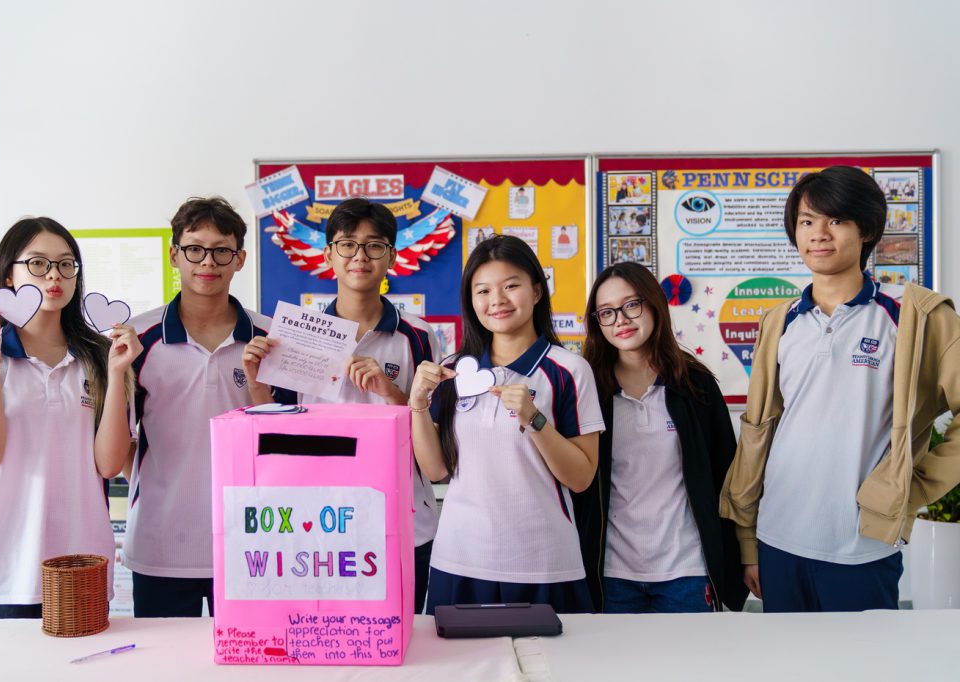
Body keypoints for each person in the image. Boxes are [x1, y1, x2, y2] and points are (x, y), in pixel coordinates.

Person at [719, 166, 960, 612]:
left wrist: (916, 485)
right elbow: (758, 432)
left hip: (862, 547)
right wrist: (748, 539)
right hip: (777, 539)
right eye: (807, 221)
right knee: (787, 656)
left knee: (865, 657)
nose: (819, 234)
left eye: (836, 220)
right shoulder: (780, 321)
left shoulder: (913, 315)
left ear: (866, 229)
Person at [242, 197, 441, 614]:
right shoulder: (298, 336)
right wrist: (258, 384)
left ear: (392, 256)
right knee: (330, 632)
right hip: (319, 520)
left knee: (404, 631)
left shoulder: (419, 337)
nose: (360, 256)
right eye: (347, 244)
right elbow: (277, 431)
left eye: (374, 245)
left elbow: (434, 437)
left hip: (403, 516)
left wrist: (391, 392)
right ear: (328, 254)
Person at [0, 217, 139, 618]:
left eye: (65, 264)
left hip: (80, 565)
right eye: (37, 263)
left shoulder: (102, 358)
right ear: (8, 275)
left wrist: (117, 374)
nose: (54, 275)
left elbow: (109, 465)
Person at [409, 235, 604, 614]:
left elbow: (581, 477)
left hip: (544, 561)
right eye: (483, 291)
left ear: (536, 291)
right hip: (460, 558)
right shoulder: (454, 370)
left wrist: (535, 420)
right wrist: (417, 404)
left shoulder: (569, 370)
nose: (496, 300)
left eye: (511, 286)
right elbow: (436, 470)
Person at [124, 196, 274, 617]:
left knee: (253, 655)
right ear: (174, 255)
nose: (207, 262)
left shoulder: (270, 338)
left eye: (221, 250)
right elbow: (121, 444)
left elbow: (287, 443)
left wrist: (258, 389)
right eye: (194, 249)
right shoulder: (137, 339)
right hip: (161, 544)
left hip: (252, 542)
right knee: (164, 657)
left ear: (240, 259)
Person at [574, 262, 747, 613]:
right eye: (606, 312)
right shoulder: (587, 389)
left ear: (654, 304)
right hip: (611, 572)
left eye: (631, 305)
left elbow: (728, 475)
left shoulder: (695, 386)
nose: (621, 320)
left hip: (687, 570)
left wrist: (744, 554)